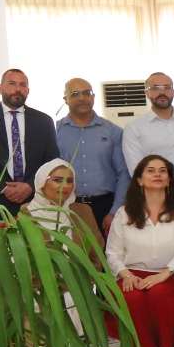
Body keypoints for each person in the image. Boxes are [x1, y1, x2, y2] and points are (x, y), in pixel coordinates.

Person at [106, 155, 174, 347]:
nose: (157, 174)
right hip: (132, 274)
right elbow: (113, 253)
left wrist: (165, 274)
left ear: (169, 180)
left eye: (163, 171)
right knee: (131, 297)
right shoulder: (124, 213)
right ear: (139, 180)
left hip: (172, 274)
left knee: (159, 293)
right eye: (151, 170)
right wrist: (125, 274)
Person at [120, 72, 174, 213]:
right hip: (153, 199)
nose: (162, 92)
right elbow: (137, 169)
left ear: (173, 91)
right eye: (155, 88)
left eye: (166, 87)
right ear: (147, 93)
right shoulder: (134, 127)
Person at [54, 78, 128, 233]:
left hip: (105, 207)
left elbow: (123, 174)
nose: (82, 98)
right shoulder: (55, 132)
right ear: (65, 99)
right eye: (75, 94)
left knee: (106, 249)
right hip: (67, 206)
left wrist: (115, 211)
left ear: (93, 97)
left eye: (86, 93)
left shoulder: (113, 131)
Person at [1, 68, 62, 214]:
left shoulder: (44, 121)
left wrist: (30, 185)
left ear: (28, 91)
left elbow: (51, 160)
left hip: (35, 201)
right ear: (0, 88)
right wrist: (3, 187)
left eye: (23, 85)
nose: (18, 89)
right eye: (12, 83)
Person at [22, 159, 102, 250]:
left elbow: (97, 252)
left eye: (70, 181)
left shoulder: (83, 211)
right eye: (58, 180)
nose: (65, 186)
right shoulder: (26, 213)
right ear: (42, 182)